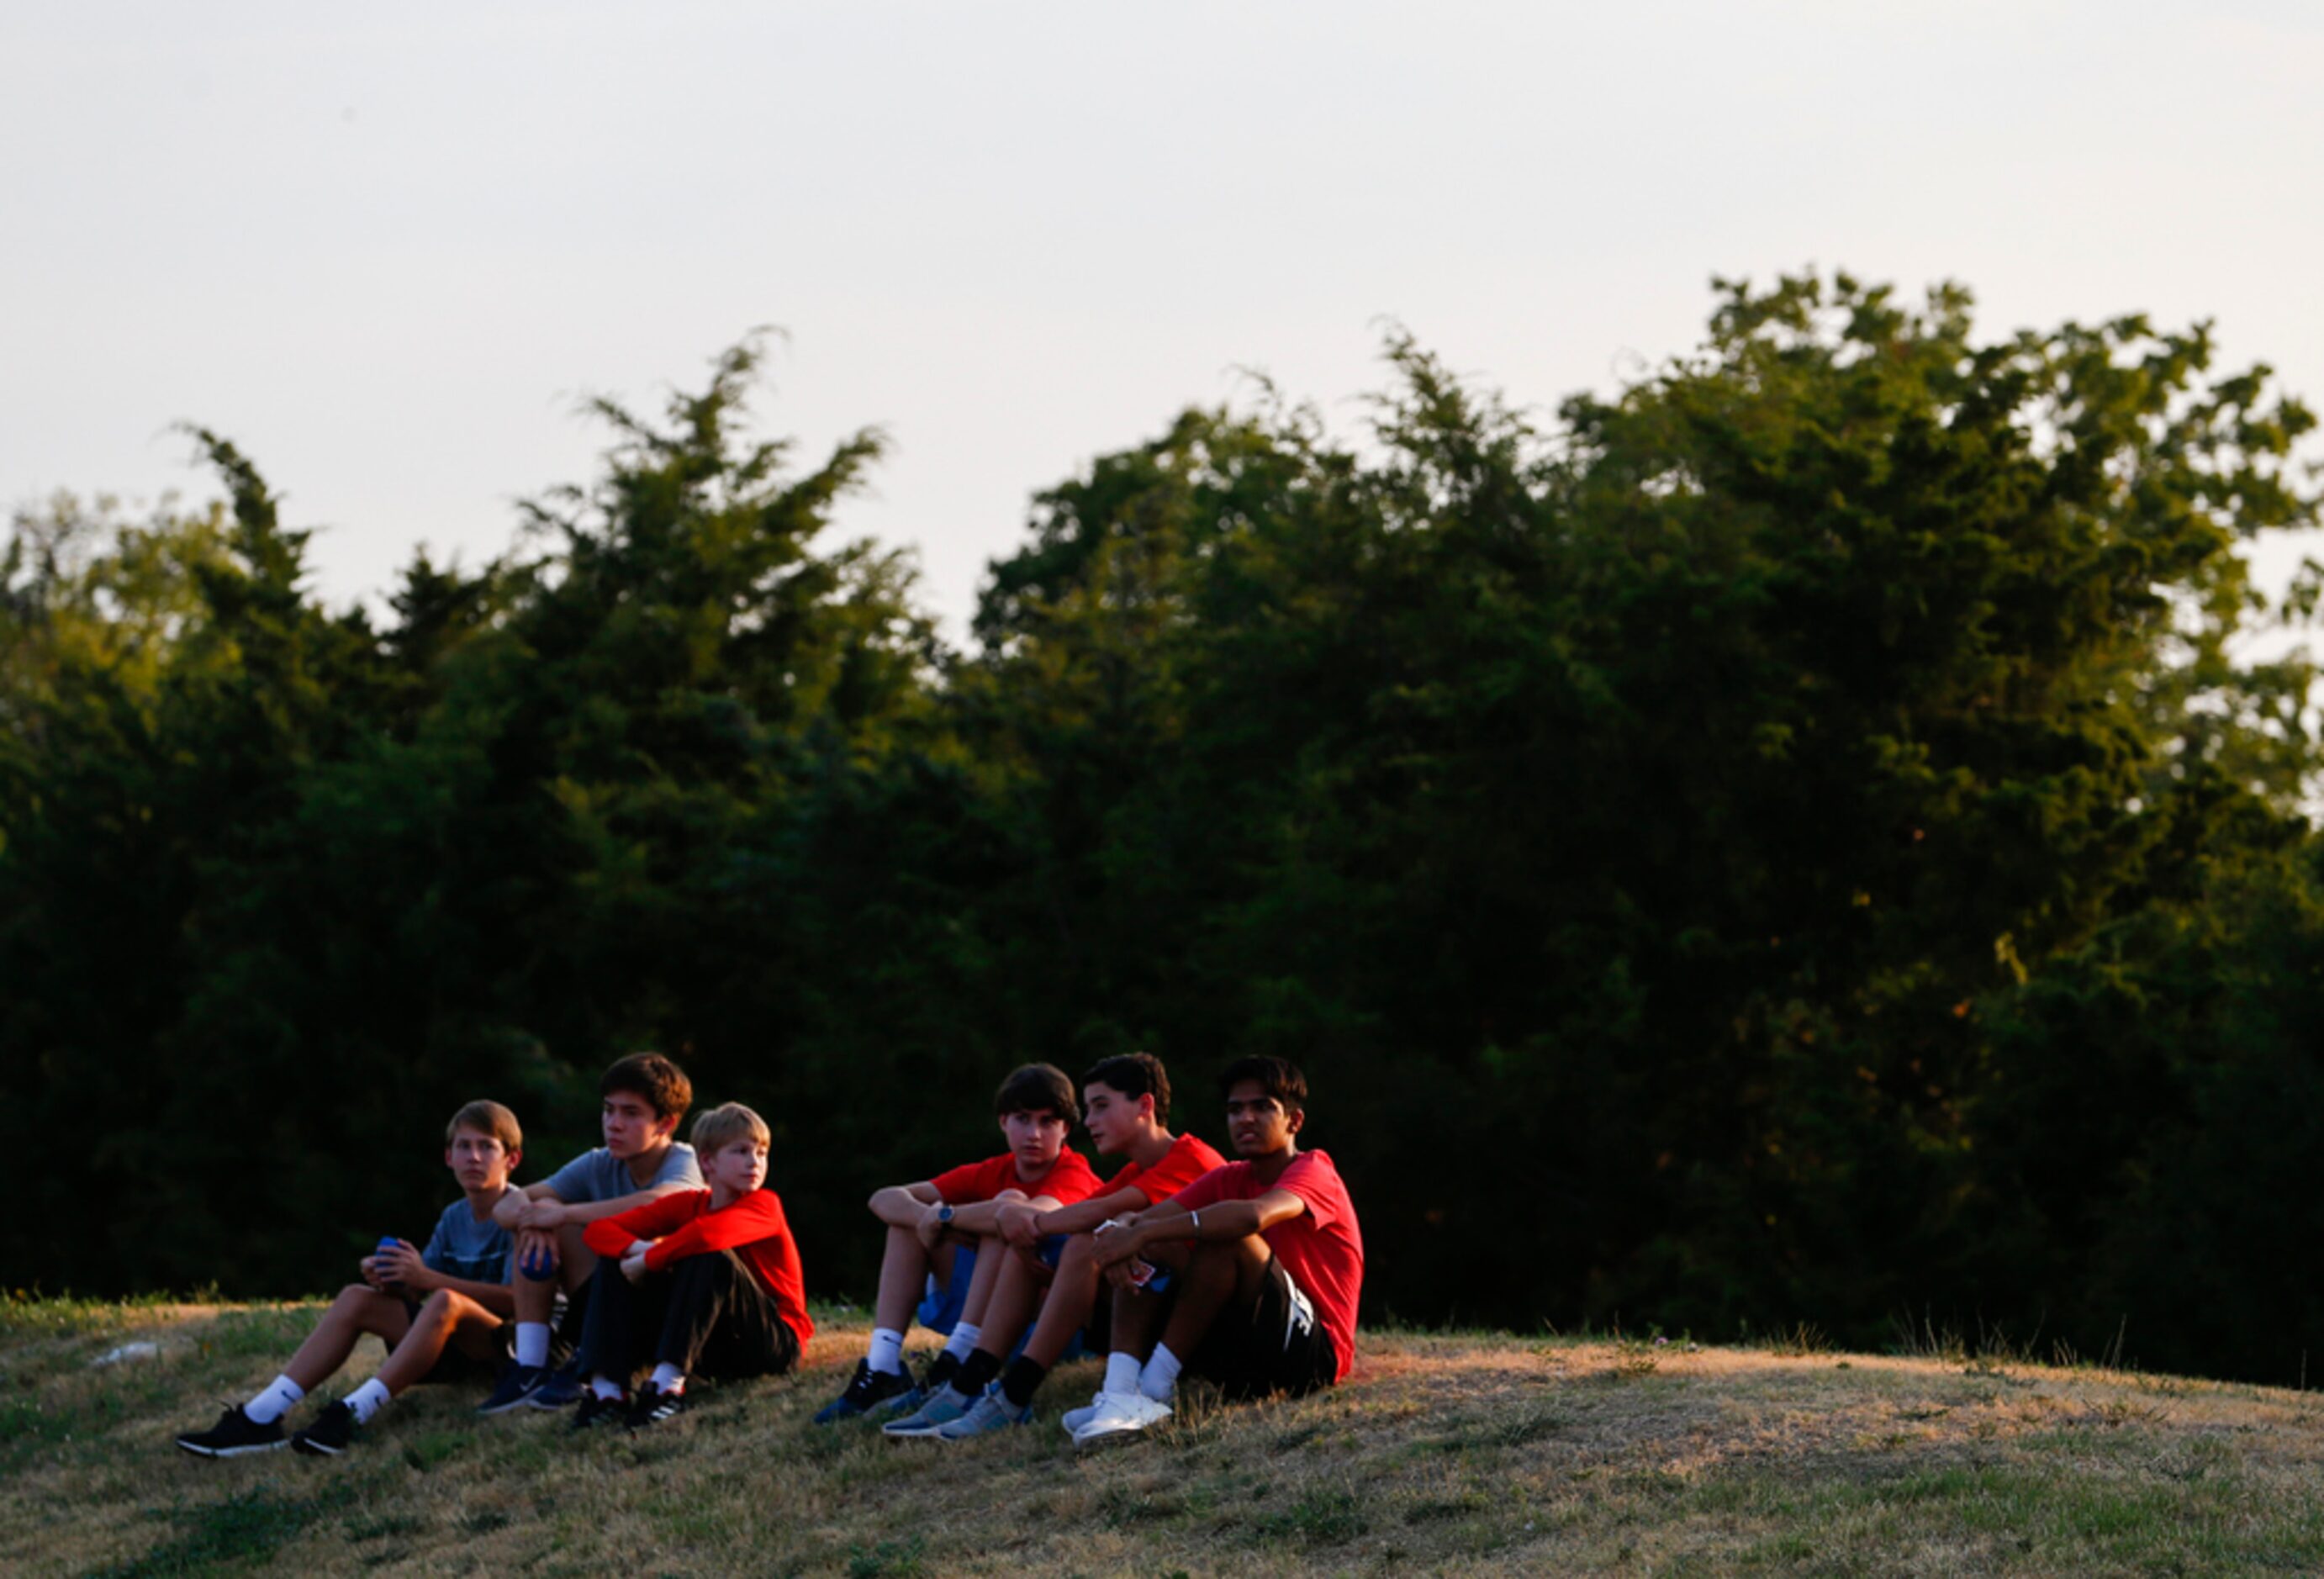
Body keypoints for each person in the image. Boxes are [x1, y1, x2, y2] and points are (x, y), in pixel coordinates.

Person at [884, 1052, 1223, 1439]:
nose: (1090, 1122)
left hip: (1196, 1321)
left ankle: (1010, 1392)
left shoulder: (1190, 1158)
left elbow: (1095, 1212)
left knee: (1073, 1239)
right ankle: (968, 1383)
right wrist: (1010, 1220)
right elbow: (1091, 1213)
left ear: (1145, 1105)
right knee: (1035, 1236)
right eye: (1088, 1109)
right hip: (1143, 1302)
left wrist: (999, 1218)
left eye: (1100, 1107)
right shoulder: (1137, 1170)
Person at [173, 1100, 526, 1458]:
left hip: (511, 1351)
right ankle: (260, 1416)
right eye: (463, 1146)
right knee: (357, 1296)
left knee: (446, 1299)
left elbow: (519, 1300)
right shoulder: (454, 1216)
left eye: (487, 1147)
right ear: (449, 1157)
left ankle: (352, 1414)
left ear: (511, 1160)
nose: (474, 1157)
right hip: (455, 1345)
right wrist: (392, 1279)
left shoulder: (520, 1213)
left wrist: (427, 1279)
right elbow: (421, 1290)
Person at [1075, 1056, 1363, 1444]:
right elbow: (1144, 1220)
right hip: (1246, 1354)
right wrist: (1125, 1232)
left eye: (1262, 1107)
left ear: (1294, 1121)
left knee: (1226, 1234)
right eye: (1235, 1110)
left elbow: (1253, 1217)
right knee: (1156, 1237)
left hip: (1312, 1356)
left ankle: (1154, 1388)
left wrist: (1140, 1233)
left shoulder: (1314, 1170)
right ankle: (1123, 1392)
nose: (1245, 1118)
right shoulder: (1228, 1177)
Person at [813, 1063, 1101, 1423]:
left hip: (1044, 1326)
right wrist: (927, 1218)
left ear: (1065, 1130)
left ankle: (960, 1361)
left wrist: (946, 1218)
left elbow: (1029, 1218)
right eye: (1023, 1119)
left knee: (1006, 1207)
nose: (1034, 1133)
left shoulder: (1075, 1173)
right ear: (1003, 1122)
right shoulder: (992, 1169)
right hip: (983, 1308)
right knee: (905, 1223)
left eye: (1047, 1122)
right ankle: (883, 1365)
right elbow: (883, 1198)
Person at [477, 1052, 702, 1413]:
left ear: (666, 1124)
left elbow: (660, 1204)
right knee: (539, 1222)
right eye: (609, 1110)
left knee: (571, 1222)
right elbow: (506, 1205)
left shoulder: (683, 1161)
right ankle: (532, 1366)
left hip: (663, 1315)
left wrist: (562, 1213)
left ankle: (595, 1358)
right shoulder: (600, 1161)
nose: (613, 1124)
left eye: (630, 1114)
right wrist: (538, 1217)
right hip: (605, 1297)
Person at [565, 1101, 813, 1428]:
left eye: (762, 1153)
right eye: (741, 1151)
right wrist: (638, 1251)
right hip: (712, 1345)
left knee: (710, 1254)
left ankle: (667, 1386)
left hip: (773, 1344)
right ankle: (608, 1390)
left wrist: (652, 1258)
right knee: (618, 1258)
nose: (754, 1162)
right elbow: (601, 1230)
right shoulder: (689, 1204)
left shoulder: (765, 1205)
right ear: (707, 1161)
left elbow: (711, 1235)